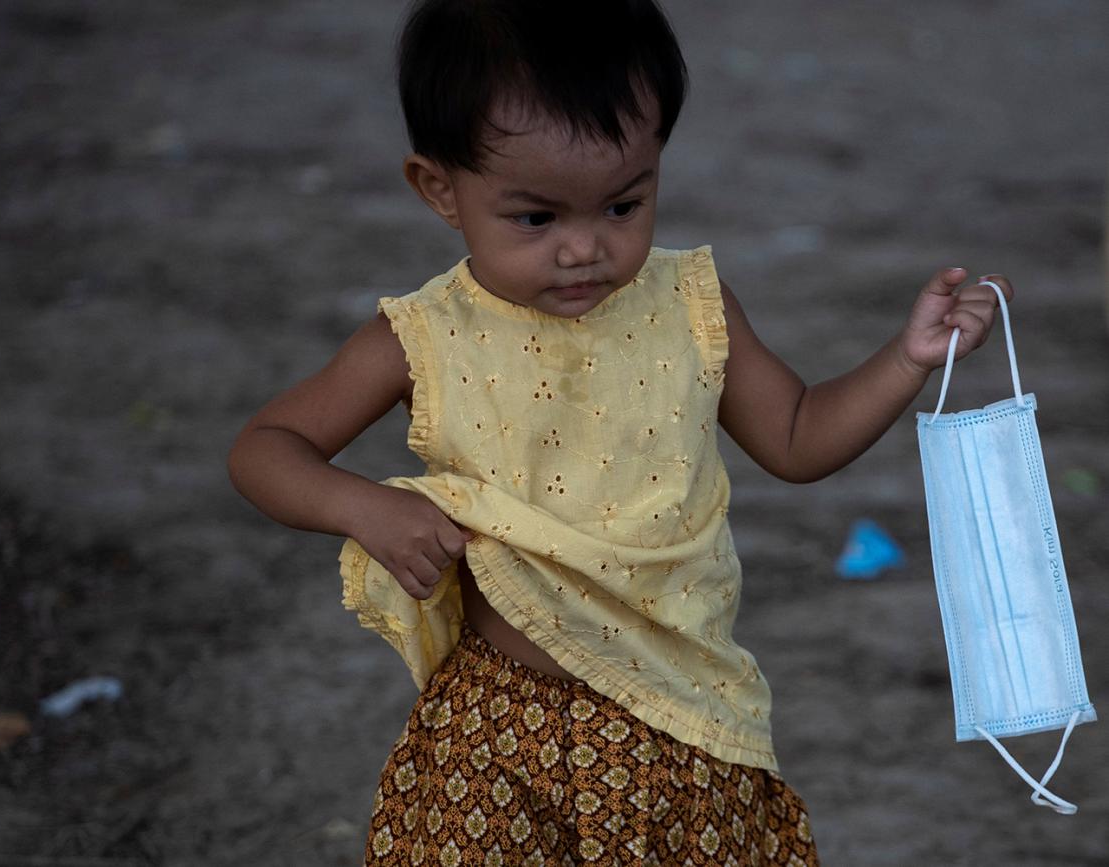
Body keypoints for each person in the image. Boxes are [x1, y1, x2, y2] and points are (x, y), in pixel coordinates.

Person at [228, 1, 1013, 863]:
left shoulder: (691, 307)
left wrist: (907, 358)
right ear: (440, 189)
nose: (584, 250)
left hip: (682, 718)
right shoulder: (422, 336)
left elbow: (797, 437)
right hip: (498, 734)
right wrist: (363, 507)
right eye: (537, 219)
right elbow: (266, 449)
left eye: (622, 206)